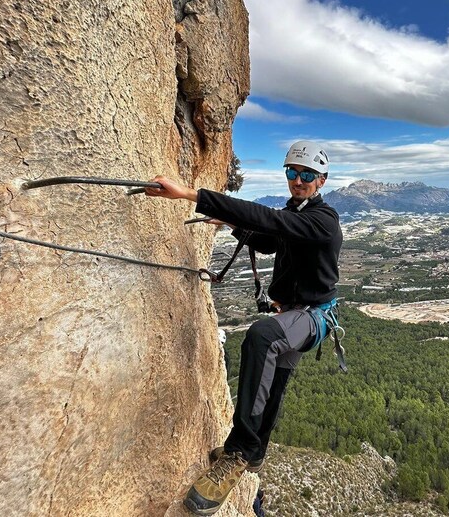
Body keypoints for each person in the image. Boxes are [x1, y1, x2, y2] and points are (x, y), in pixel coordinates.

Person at [144, 141, 342, 516]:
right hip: (296, 315)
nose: (298, 181)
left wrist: (191, 195)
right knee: (274, 384)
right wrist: (234, 223)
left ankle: (237, 452)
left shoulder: (323, 219)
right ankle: (254, 453)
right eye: (292, 173)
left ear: (322, 180)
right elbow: (268, 240)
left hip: (312, 316)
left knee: (262, 336)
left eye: (307, 175)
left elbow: (271, 222)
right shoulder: (297, 213)